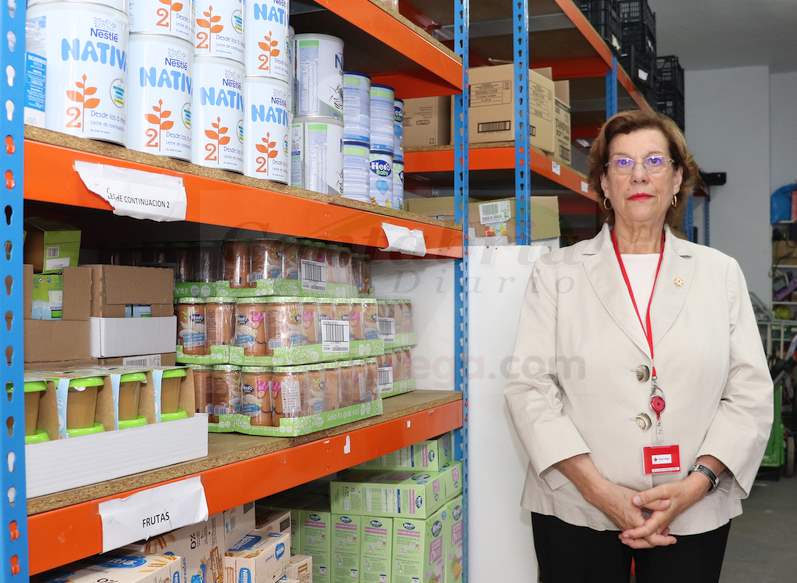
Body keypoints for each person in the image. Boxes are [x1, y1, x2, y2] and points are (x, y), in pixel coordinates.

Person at [504, 109, 773, 583]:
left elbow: (749, 392)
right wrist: (600, 491)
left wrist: (697, 484)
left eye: (653, 160)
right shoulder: (557, 274)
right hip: (576, 504)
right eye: (621, 164)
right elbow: (529, 387)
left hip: (692, 507)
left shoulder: (719, 273)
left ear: (676, 178)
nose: (639, 175)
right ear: (604, 184)